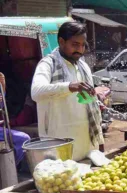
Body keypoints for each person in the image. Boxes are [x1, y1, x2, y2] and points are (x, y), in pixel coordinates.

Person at [31, 22, 104, 161]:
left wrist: (99, 142)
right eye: (75, 44)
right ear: (61, 42)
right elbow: (36, 92)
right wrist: (69, 87)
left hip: (85, 144)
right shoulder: (48, 64)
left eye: (83, 45)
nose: (80, 49)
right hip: (59, 142)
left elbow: (91, 104)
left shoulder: (83, 65)